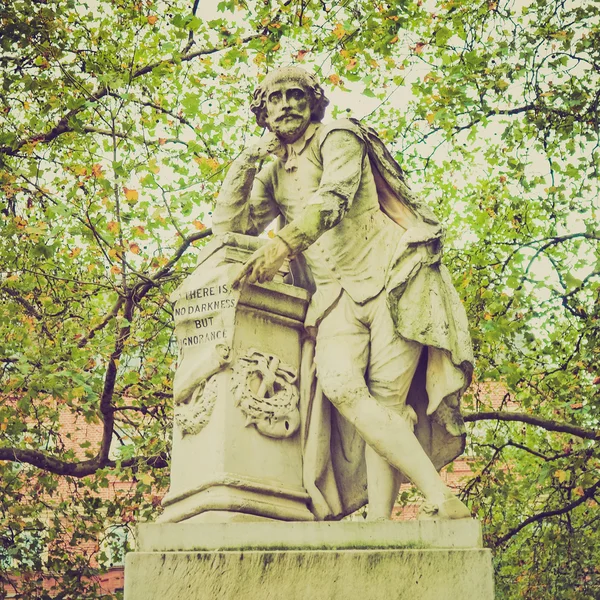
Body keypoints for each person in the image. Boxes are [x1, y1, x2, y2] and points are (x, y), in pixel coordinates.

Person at [212, 66, 474, 520]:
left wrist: (282, 247)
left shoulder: (339, 135)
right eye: (275, 99)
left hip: (391, 279)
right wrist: (246, 163)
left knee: (385, 399)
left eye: (297, 95)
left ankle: (382, 521)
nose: (287, 104)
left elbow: (332, 198)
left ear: (313, 102)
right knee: (340, 386)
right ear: (263, 113)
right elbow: (229, 228)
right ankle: (440, 495)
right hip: (333, 297)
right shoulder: (273, 172)